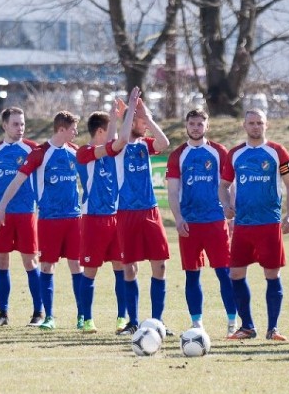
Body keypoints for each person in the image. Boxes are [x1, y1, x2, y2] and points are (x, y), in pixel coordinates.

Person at [0, 111, 83, 331]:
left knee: (76, 265)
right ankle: (48, 316)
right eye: (73, 129)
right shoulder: (39, 153)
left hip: (73, 218)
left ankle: (83, 316)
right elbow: (16, 180)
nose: (77, 133)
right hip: (48, 218)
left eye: (22, 123)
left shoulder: (75, 152)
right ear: (62, 129)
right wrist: (1, 207)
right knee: (46, 265)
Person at [220, 108, 289, 341]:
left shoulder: (277, 152)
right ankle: (247, 326)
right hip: (243, 224)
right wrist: (226, 205)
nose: (256, 126)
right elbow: (223, 185)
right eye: (251, 123)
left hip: (270, 223)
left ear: (267, 125)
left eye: (259, 123)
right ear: (244, 126)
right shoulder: (234, 154)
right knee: (235, 273)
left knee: (272, 274)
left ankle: (273, 328)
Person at [105, 87, 170, 335]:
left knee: (160, 265)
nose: (144, 126)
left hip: (150, 211)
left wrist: (148, 117)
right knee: (129, 268)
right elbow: (122, 138)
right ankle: (133, 322)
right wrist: (132, 109)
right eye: (141, 122)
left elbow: (164, 143)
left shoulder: (145, 144)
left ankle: (157, 321)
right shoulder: (118, 146)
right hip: (126, 213)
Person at [166, 109, 236, 335]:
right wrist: (178, 218)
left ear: (207, 126)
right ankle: (197, 324)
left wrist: (231, 212)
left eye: (200, 124)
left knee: (224, 272)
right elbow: (173, 190)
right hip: (190, 223)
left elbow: (229, 185)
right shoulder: (178, 154)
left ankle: (232, 322)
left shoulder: (218, 152)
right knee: (192, 274)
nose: (196, 127)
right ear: (186, 126)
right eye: (192, 123)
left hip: (215, 221)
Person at [0, 107, 42, 326]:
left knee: (30, 260)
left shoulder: (31, 148)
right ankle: (3, 314)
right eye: (16, 124)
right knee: (1, 260)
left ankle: (38, 313)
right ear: (5, 126)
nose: (20, 128)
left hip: (25, 212)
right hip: (1, 214)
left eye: (23, 124)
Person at [75, 107, 127, 334]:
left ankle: (122, 318)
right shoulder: (84, 153)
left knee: (122, 268)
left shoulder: (114, 155)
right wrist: (118, 118)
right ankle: (87, 319)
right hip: (93, 219)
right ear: (99, 133)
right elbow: (114, 145)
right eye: (111, 132)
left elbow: (117, 145)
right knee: (90, 270)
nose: (115, 138)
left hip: (116, 218)